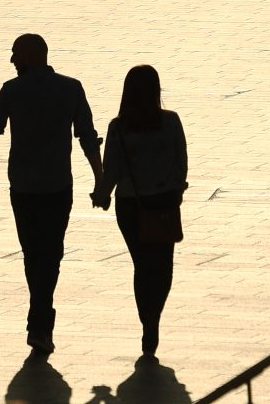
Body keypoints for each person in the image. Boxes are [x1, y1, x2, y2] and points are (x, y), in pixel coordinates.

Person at [0, 34, 103, 355]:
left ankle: (39, 320)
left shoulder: (12, 90)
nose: (11, 62)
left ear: (31, 56)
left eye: (15, 55)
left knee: (33, 253)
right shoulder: (70, 88)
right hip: (58, 186)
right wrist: (100, 176)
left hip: (22, 187)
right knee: (50, 254)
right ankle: (41, 321)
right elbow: (87, 136)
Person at [92, 65, 187, 363]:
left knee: (141, 264)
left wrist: (102, 194)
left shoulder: (118, 127)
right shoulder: (170, 122)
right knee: (163, 264)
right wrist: (175, 190)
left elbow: (113, 169)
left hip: (131, 206)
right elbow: (180, 161)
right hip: (163, 203)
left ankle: (147, 318)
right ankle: (153, 316)